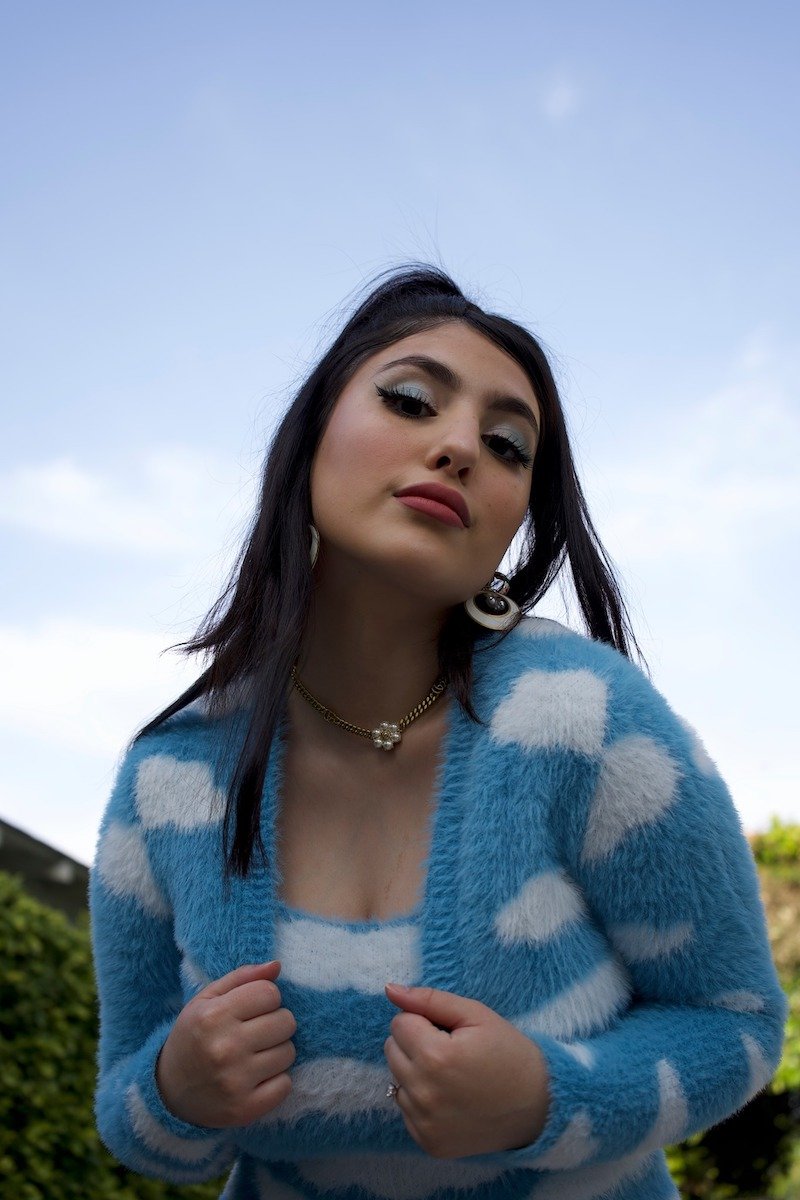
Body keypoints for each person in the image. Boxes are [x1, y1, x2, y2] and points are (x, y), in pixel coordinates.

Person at [89, 264, 788, 1200]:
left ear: (514, 525)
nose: (460, 447)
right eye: (411, 400)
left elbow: (735, 1022)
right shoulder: (165, 779)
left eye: (508, 446)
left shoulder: (585, 719)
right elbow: (141, 1128)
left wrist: (548, 1097)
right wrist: (179, 1089)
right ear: (310, 439)